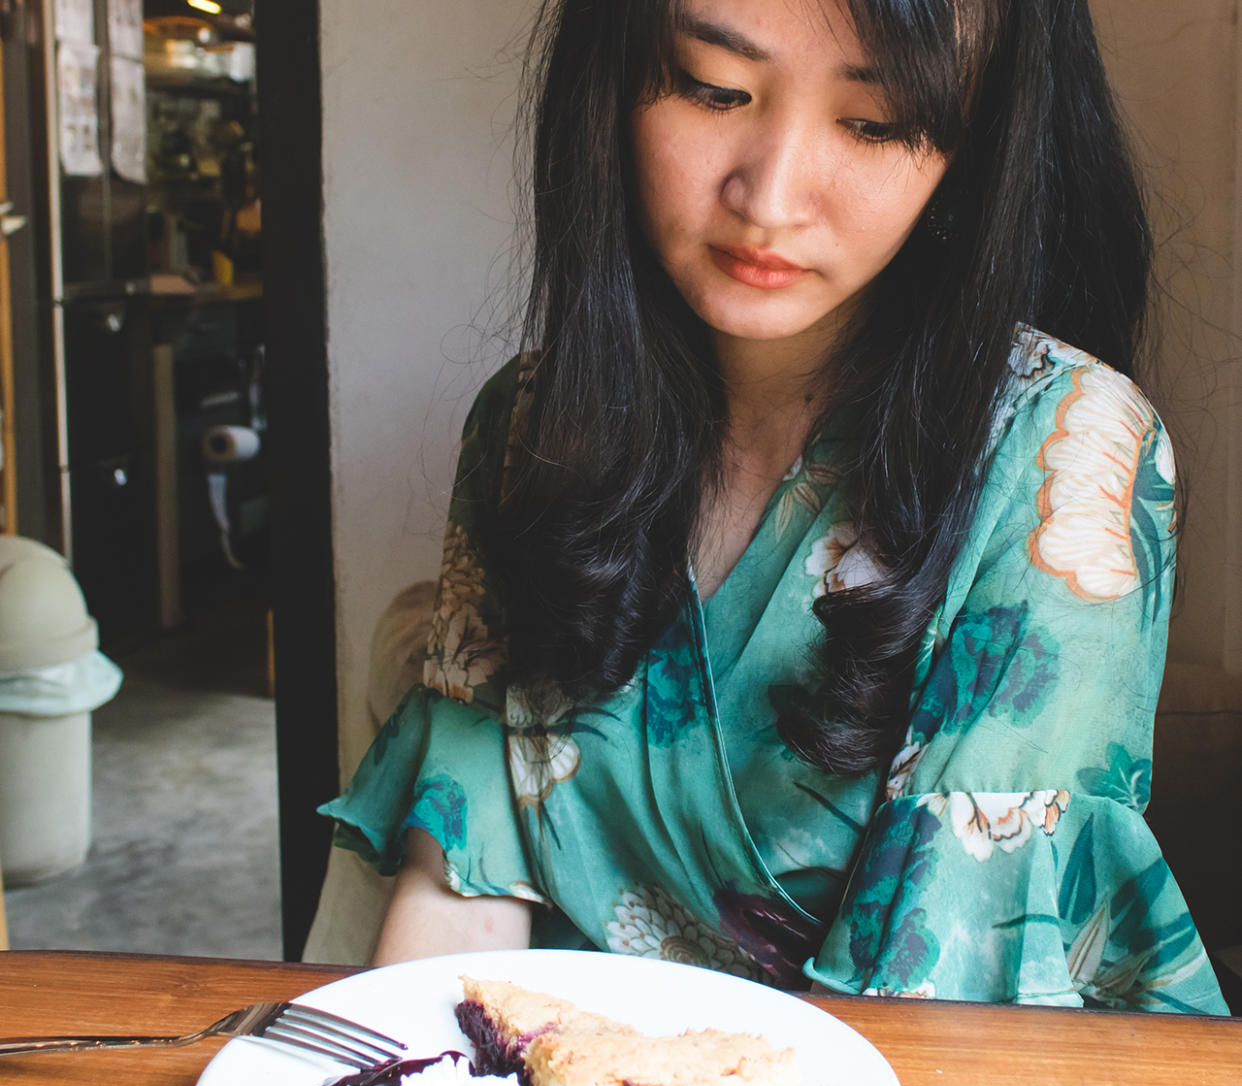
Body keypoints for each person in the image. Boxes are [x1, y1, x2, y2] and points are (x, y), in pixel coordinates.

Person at [316, 0, 1228, 1012]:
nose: (771, 198)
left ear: (974, 143)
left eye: (876, 123)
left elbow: (944, 1021)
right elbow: (461, 892)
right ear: (610, 85)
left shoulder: (1063, 454)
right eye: (714, 87)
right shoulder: (530, 427)